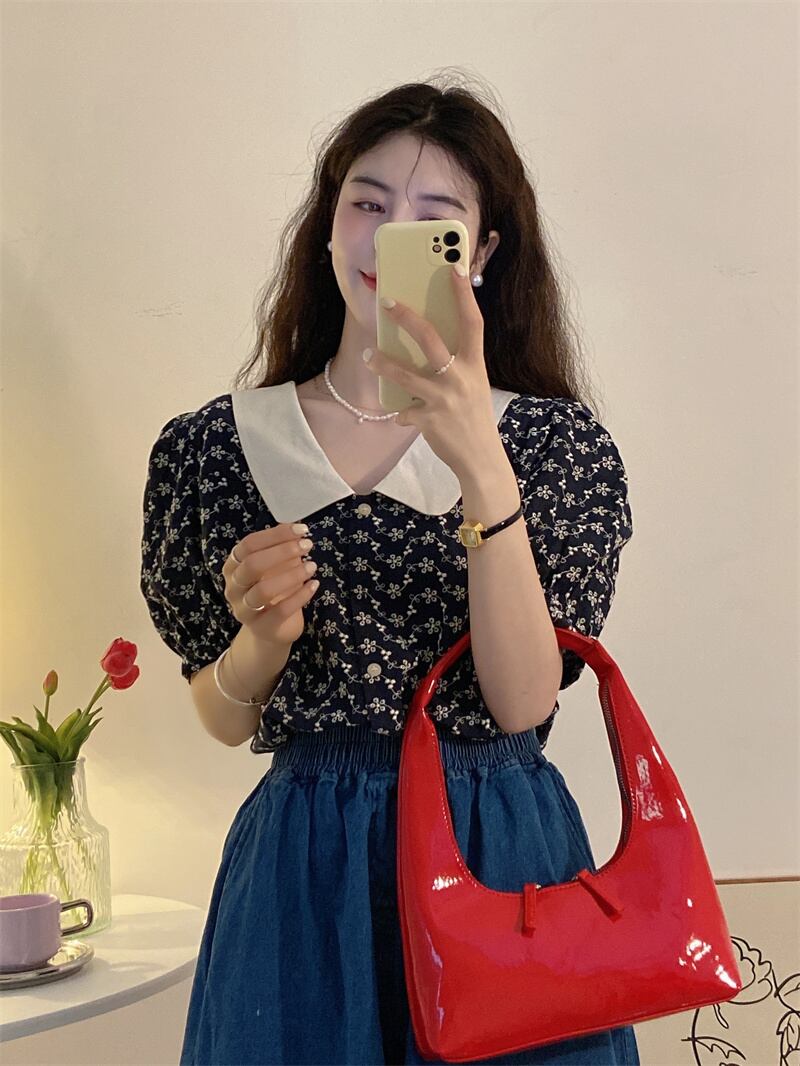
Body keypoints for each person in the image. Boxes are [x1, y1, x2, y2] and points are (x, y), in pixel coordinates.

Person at [140, 74, 640, 1066]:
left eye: (433, 218)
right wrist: (260, 639)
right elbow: (224, 714)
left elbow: (521, 702)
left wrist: (479, 463)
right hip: (302, 868)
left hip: (499, 851)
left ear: (480, 253)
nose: (387, 237)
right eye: (366, 204)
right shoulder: (215, 448)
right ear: (326, 226)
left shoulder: (550, 447)